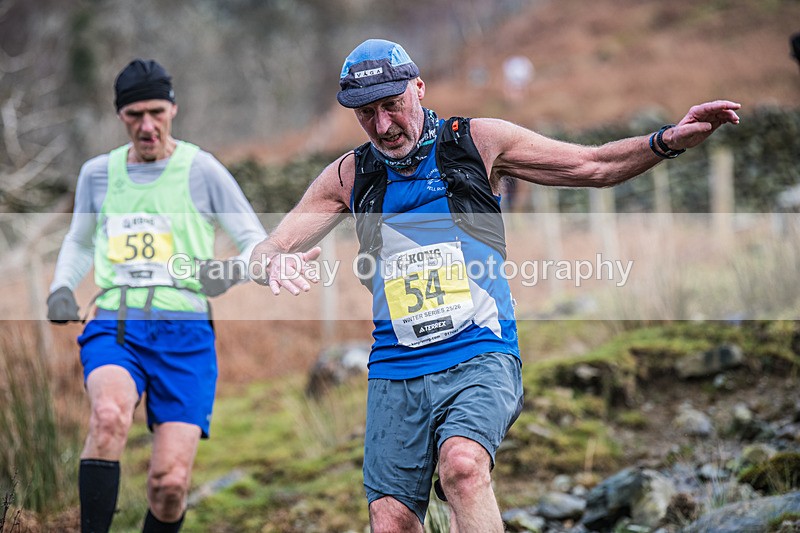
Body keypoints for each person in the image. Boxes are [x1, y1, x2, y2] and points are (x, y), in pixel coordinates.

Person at [248, 39, 740, 532]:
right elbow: (271, 246)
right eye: (366, 114)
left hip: (479, 353)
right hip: (396, 368)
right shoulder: (350, 175)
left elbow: (593, 166)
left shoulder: (476, 141)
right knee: (390, 519)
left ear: (418, 88)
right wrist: (270, 262)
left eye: (392, 106)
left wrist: (667, 141)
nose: (382, 126)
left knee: (462, 468)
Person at [46, 59, 267, 533]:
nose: (147, 126)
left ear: (173, 109)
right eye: (134, 116)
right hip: (117, 323)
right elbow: (80, 241)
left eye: (155, 112)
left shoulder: (202, 170)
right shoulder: (98, 174)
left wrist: (227, 273)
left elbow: (256, 244)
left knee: (169, 486)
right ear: (120, 117)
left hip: (185, 334)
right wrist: (61, 287)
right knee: (108, 417)